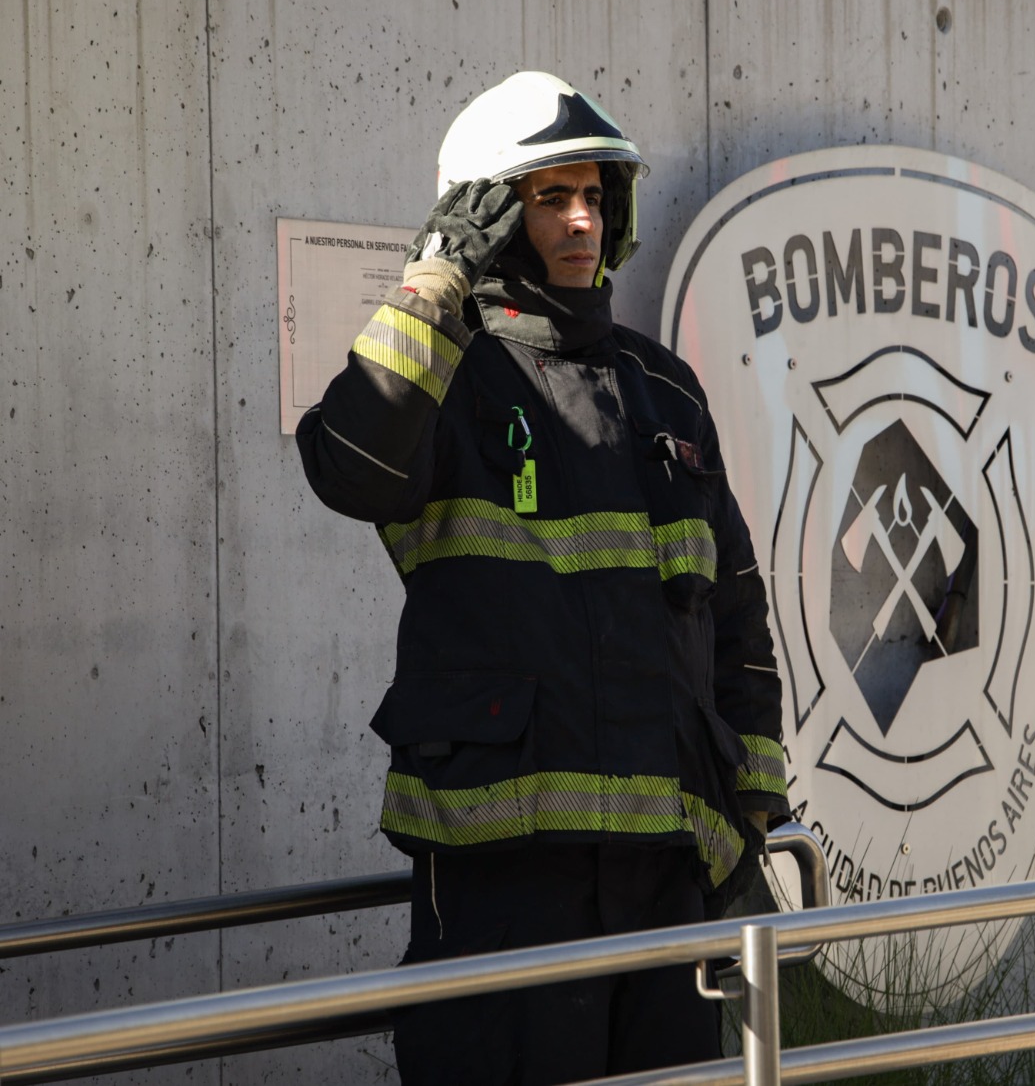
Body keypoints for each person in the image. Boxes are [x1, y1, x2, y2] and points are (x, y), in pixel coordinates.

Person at [296, 72, 789, 1085]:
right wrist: (433, 282)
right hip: (504, 886)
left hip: (667, 876)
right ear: (488, 216)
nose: (579, 218)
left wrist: (749, 817)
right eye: (548, 196)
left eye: (594, 197)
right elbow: (349, 464)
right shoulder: (449, 377)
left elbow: (737, 615)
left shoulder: (664, 389)